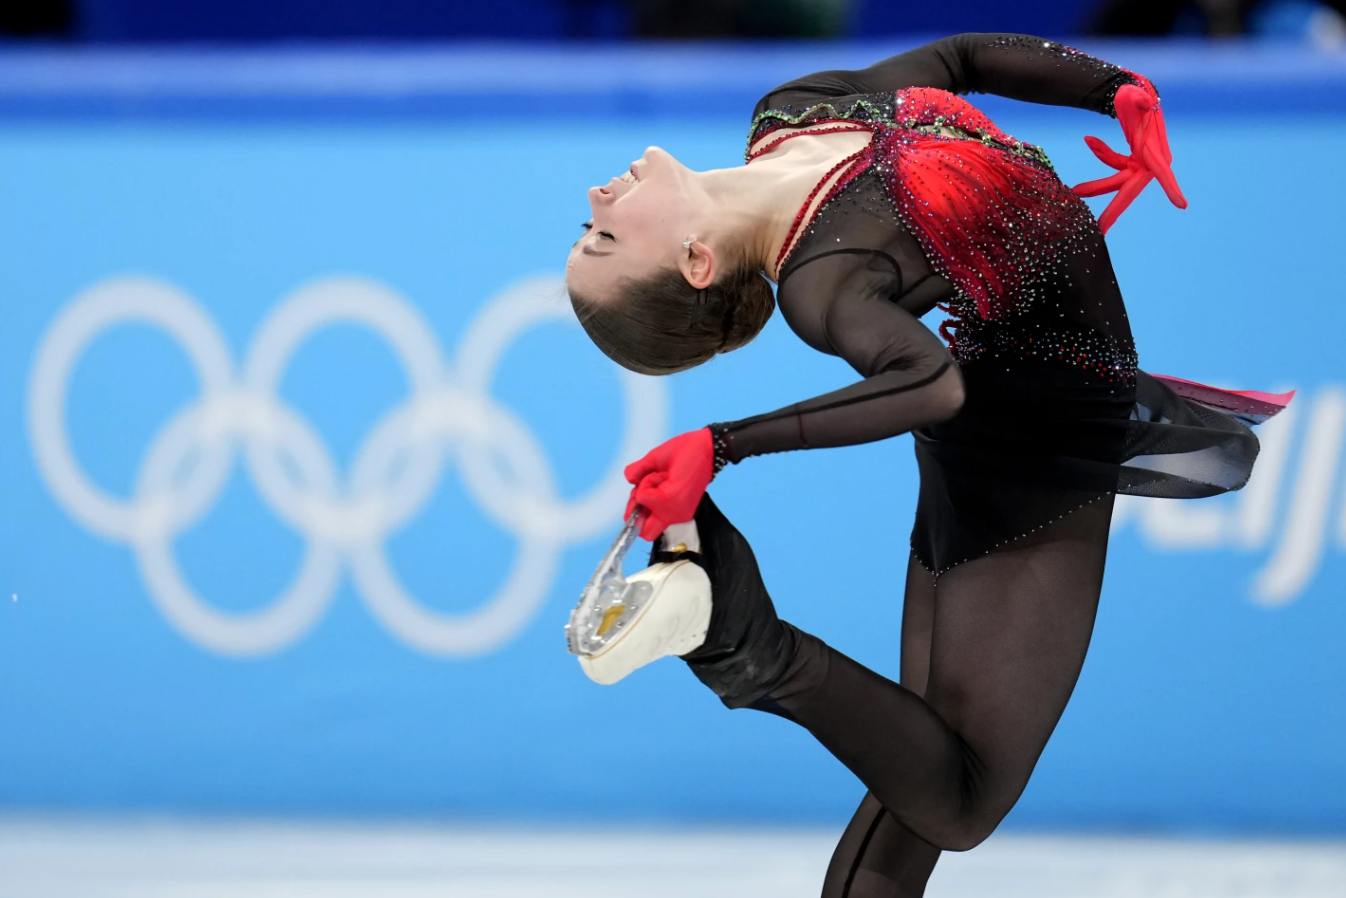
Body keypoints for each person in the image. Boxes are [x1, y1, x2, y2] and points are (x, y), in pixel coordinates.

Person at [564, 33, 1290, 897]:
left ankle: (744, 639)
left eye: (588, 230)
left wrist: (1115, 90)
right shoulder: (823, 282)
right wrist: (724, 443)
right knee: (960, 799)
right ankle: (752, 645)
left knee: (920, 775)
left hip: (1011, 409)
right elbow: (928, 383)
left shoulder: (792, 113)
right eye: (604, 237)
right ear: (696, 262)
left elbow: (959, 60)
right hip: (1032, 451)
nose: (596, 198)